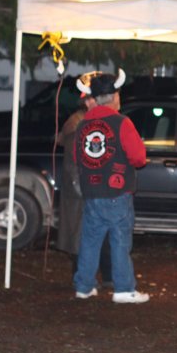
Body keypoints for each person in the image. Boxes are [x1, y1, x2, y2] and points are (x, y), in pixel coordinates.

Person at [73, 69, 150, 304]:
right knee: (119, 240)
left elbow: (77, 158)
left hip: (91, 191)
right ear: (115, 96)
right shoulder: (122, 123)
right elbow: (139, 158)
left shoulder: (82, 125)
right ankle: (124, 289)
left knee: (90, 240)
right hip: (117, 192)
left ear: (95, 99)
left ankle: (84, 286)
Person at [56, 75, 113, 286]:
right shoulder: (78, 124)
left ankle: (106, 275)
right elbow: (74, 163)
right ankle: (82, 278)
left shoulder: (88, 122)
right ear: (88, 101)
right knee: (81, 235)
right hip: (80, 190)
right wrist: (85, 190)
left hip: (89, 187)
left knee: (99, 233)